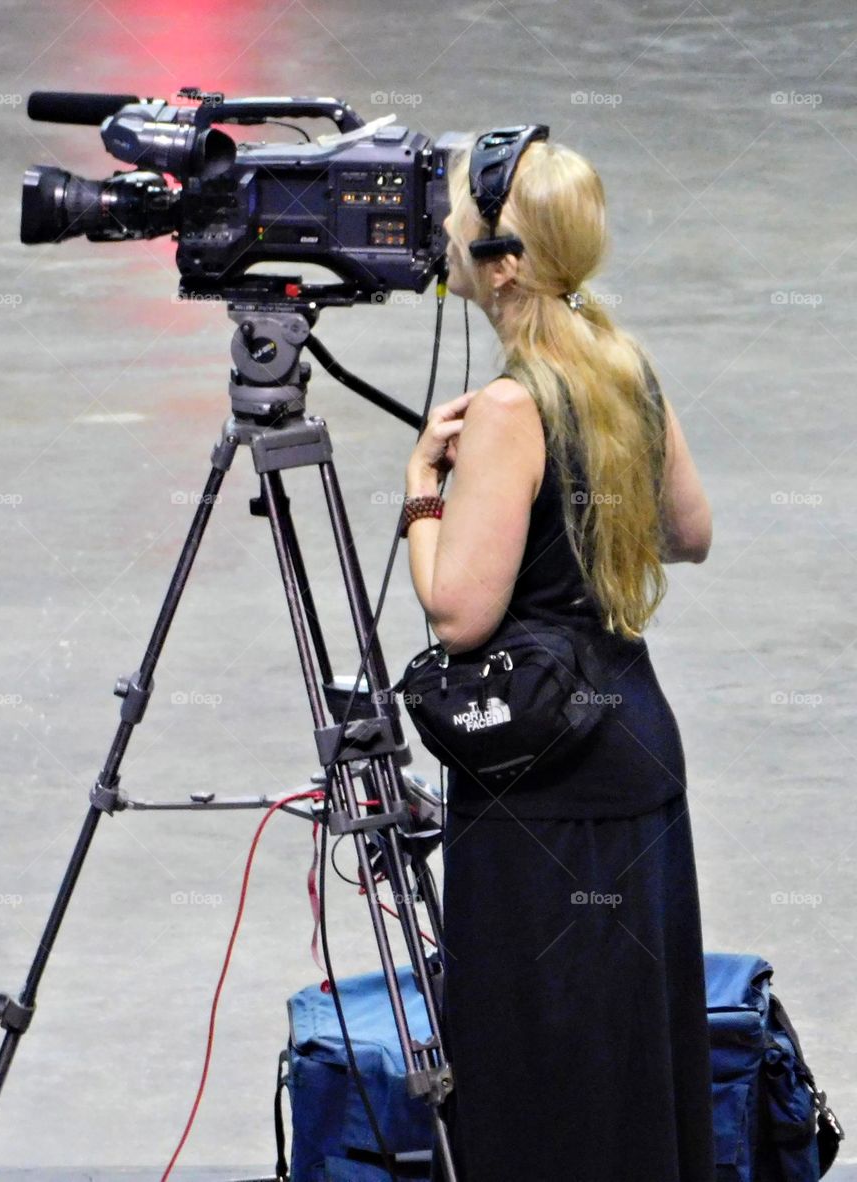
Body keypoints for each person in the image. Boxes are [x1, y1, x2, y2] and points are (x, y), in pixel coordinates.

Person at [404, 137, 716, 1181]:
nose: (440, 228)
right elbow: (688, 532)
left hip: (546, 782)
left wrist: (421, 490)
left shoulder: (507, 407)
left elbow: (457, 613)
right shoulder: (622, 367)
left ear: (501, 257)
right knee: (627, 1068)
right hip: (636, 753)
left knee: (541, 1078)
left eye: (454, 216)